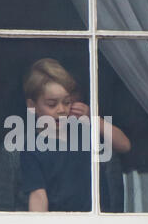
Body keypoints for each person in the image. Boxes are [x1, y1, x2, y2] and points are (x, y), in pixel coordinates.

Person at [20, 58, 131, 212]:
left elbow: (124, 145)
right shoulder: (31, 147)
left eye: (67, 102)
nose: (61, 109)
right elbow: (38, 195)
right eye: (52, 104)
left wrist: (93, 119)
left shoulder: (84, 130)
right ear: (32, 106)